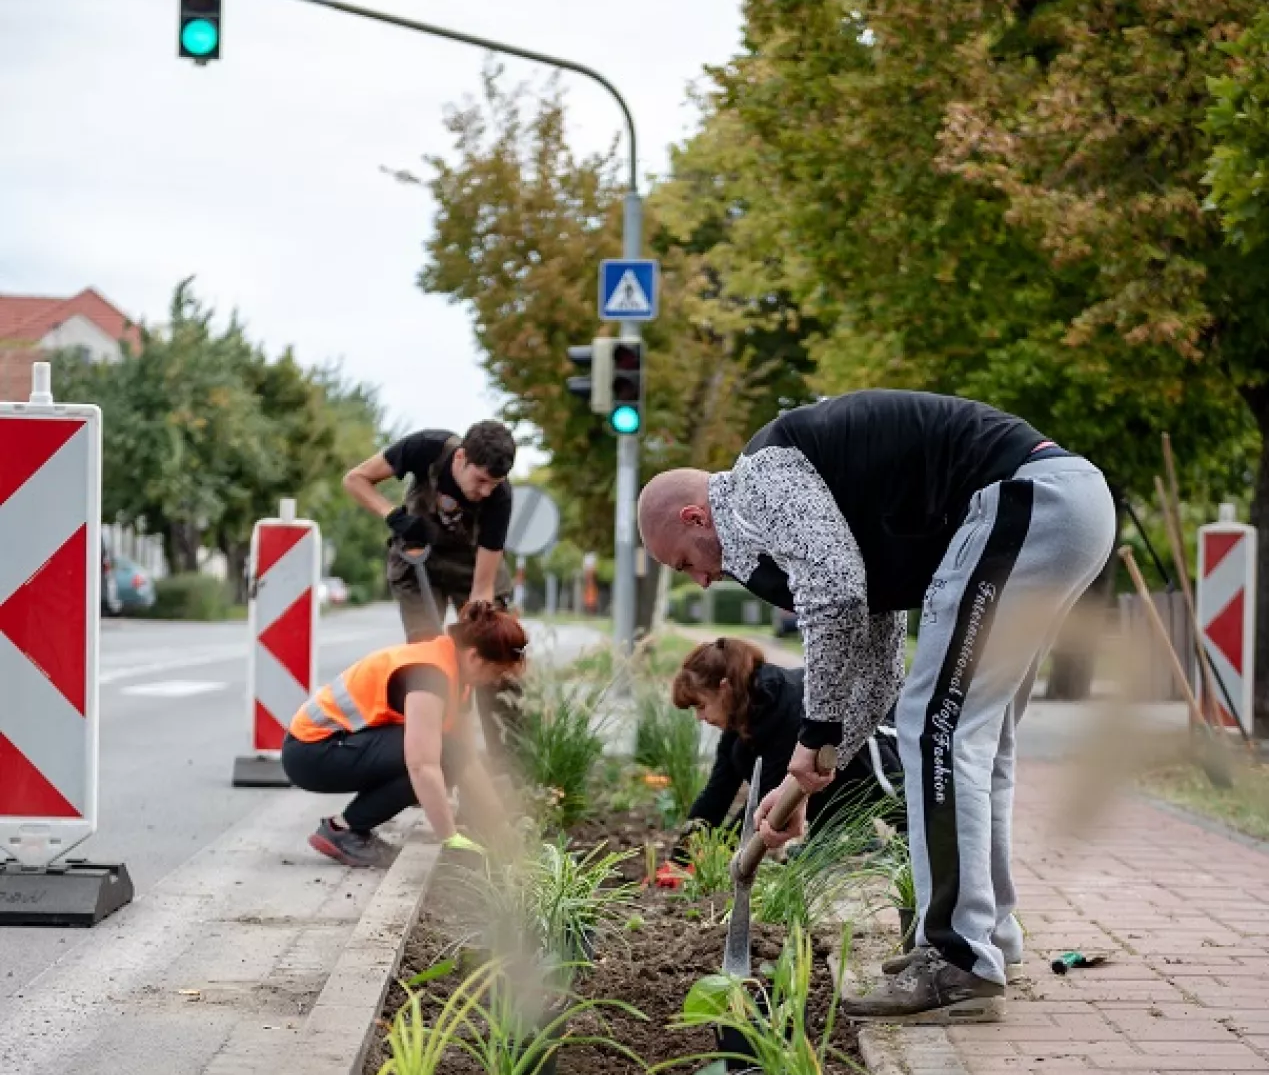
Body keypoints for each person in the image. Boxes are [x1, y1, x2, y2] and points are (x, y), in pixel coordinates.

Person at [638, 389, 1117, 1020]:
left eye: (683, 563)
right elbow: (879, 656)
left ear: (698, 517)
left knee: (937, 731)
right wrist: (815, 768)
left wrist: (813, 735)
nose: (699, 579)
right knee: (974, 736)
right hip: (1067, 507)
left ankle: (957, 957)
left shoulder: (760, 479)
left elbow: (832, 597)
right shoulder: (824, 504)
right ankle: (989, 935)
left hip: (1026, 503)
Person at [281, 602, 527, 867]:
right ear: (474, 658)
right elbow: (422, 765)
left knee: (450, 755)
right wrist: (451, 838)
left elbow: (467, 759)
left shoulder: (457, 678)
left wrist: (500, 825)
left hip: (335, 746)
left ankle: (349, 828)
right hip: (311, 750)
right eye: (496, 672)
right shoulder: (430, 674)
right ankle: (345, 830)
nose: (495, 681)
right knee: (432, 758)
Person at [670, 636, 904, 837]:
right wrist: (682, 858)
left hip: (886, 746)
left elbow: (765, 797)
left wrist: (722, 854)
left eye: (701, 705)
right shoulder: (740, 714)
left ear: (724, 687)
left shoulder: (785, 704)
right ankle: (842, 833)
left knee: (910, 822)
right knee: (742, 757)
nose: (699, 717)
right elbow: (718, 790)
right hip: (839, 785)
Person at [343, 420, 516, 639]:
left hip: (470, 566)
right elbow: (355, 479)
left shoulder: (500, 497)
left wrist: (474, 634)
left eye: (494, 483)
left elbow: (482, 589)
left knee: (485, 647)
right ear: (461, 457)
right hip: (419, 556)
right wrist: (394, 516)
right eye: (480, 480)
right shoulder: (426, 447)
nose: (486, 491)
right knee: (425, 651)